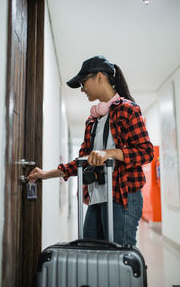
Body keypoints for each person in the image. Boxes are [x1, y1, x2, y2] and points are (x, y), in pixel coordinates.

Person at [28, 55, 154, 245]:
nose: (81, 89)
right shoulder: (93, 120)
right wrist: (46, 174)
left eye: (83, 82)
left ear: (99, 77)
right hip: (97, 197)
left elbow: (146, 152)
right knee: (90, 252)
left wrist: (110, 153)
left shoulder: (128, 110)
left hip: (123, 197)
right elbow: (83, 160)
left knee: (120, 259)